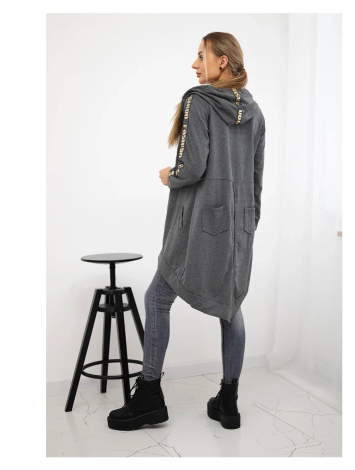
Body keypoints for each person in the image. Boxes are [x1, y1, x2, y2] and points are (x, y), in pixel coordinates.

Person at [108, 32, 266, 432]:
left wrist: (170, 175)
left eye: (201, 56)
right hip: (239, 225)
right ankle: (228, 402)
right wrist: (247, 226)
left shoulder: (199, 101)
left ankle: (149, 395)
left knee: (157, 297)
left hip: (199, 223)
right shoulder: (256, 112)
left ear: (222, 61)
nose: (194, 65)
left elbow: (191, 167)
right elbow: (256, 178)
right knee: (231, 306)